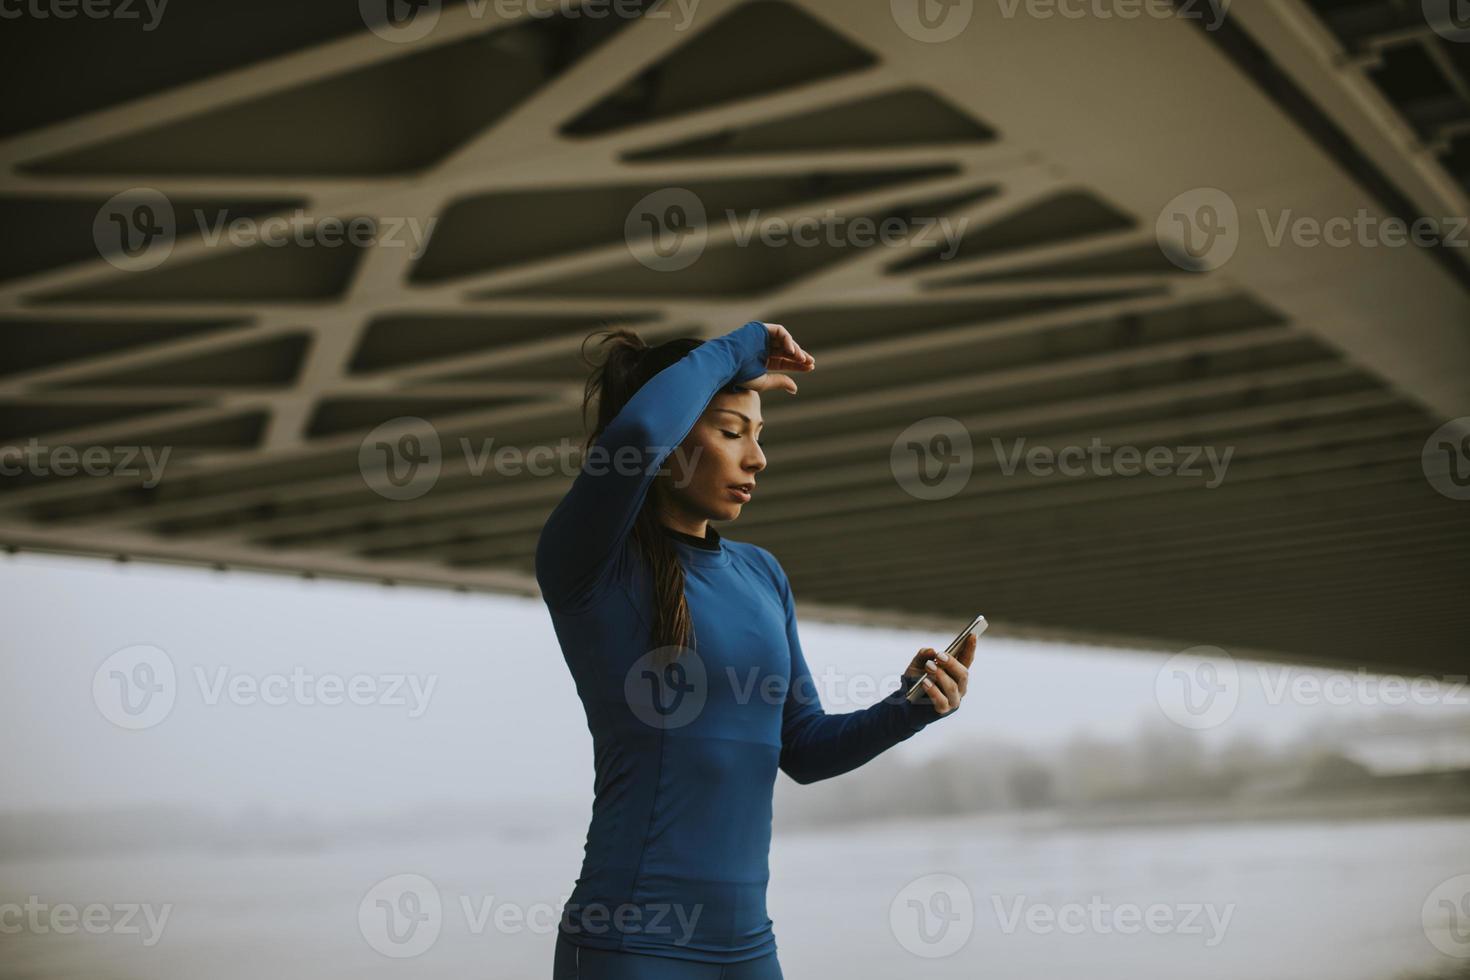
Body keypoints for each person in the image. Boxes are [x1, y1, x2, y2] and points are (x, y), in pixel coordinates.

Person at [536, 319, 976, 979]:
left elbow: (802, 749)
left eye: (760, 436)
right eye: (731, 432)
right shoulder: (590, 566)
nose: (757, 459)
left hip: (747, 950)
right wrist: (739, 347)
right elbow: (633, 435)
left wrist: (910, 706)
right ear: (674, 439)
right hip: (631, 948)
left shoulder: (760, 574)